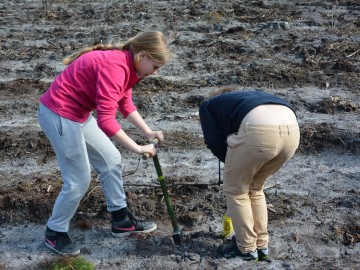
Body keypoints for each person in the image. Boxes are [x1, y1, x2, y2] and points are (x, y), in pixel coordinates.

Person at [37, 31, 171, 255]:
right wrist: (138, 148)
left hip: (78, 113)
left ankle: (121, 220)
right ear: (143, 56)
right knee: (78, 181)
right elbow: (106, 121)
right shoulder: (116, 67)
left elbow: (125, 103)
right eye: (155, 66)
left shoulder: (129, 66)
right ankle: (54, 232)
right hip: (58, 114)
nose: (156, 73)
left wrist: (148, 131)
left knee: (111, 159)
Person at [199, 88, 300, 261]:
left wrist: (232, 164)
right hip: (292, 130)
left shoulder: (208, 106)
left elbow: (214, 141)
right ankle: (261, 246)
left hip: (259, 132)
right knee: (255, 188)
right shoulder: (243, 99)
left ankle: (246, 248)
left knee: (236, 191)